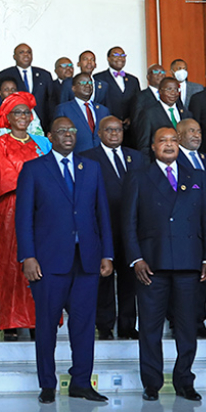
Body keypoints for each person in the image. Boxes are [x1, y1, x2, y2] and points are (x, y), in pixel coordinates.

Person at [17, 116, 114, 404]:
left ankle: (81, 382)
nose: (68, 135)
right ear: (50, 136)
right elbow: (24, 219)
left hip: (86, 260)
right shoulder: (34, 169)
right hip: (48, 262)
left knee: (84, 325)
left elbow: (102, 214)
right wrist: (28, 256)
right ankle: (47, 384)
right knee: (46, 325)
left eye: (72, 130)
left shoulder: (92, 168)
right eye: (62, 131)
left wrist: (106, 253)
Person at [124, 127, 206, 401]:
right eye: (162, 140)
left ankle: (185, 381)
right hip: (152, 264)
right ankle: (151, 382)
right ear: (152, 147)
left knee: (187, 327)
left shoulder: (196, 176)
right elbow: (128, 222)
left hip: (189, 264)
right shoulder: (139, 177)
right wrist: (136, 258)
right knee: (150, 328)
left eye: (173, 140)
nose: (168, 144)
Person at [0, 93, 47, 341]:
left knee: (40, 264)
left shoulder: (40, 145)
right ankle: (10, 321)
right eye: (17, 112)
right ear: (7, 117)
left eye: (26, 112)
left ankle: (39, 319)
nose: (22, 117)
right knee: (10, 265)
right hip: (10, 209)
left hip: (40, 211)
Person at [82, 116, 141, 340]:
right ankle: (104, 325)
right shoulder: (87, 158)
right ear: (99, 133)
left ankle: (127, 325)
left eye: (118, 129)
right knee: (103, 280)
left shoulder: (136, 157)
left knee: (129, 280)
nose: (114, 133)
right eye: (109, 130)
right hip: (100, 229)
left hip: (131, 230)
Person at [175, 118, 206, 339]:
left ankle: (198, 321)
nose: (197, 135)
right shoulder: (172, 159)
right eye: (191, 131)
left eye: (198, 131)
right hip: (182, 231)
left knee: (204, 277)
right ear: (179, 136)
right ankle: (178, 321)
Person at [0, 43, 53, 124]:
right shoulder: (5, 74)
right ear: (14, 57)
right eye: (21, 52)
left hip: (42, 124)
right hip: (14, 124)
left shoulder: (44, 75)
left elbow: (51, 101)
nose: (26, 54)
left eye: (29, 52)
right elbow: (0, 100)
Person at [131, 77, 189, 153]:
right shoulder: (148, 113)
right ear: (160, 91)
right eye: (169, 89)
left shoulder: (186, 113)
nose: (173, 93)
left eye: (176, 89)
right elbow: (144, 145)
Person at [55, 74, 110, 153]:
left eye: (90, 83)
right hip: (77, 157)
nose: (88, 86)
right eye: (83, 83)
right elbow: (59, 136)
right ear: (73, 88)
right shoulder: (63, 109)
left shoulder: (103, 110)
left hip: (101, 158)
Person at [94, 46, 141, 124]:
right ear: (108, 58)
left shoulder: (133, 80)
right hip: (107, 126)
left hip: (130, 128)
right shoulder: (98, 78)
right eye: (116, 55)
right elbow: (97, 104)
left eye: (122, 56)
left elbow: (138, 103)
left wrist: (131, 118)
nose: (120, 58)